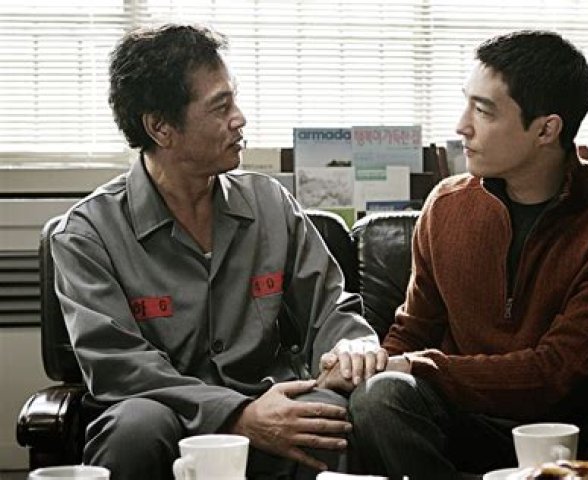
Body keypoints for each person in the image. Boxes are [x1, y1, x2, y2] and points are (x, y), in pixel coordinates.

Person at [346, 30, 588, 479]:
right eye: (467, 103)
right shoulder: (446, 205)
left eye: (483, 111)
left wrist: (418, 366)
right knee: (380, 397)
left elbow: (558, 371)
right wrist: (370, 365)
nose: (462, 126)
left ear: (546, 129)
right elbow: (413, 331)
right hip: (470, 424)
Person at [51, 24, 385, 480]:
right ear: (160, 127)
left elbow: (329, 308)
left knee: (324, 417)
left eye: (235, 100)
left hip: (271, 399)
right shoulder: (87, 234)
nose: (240, 119)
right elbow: (119, 367)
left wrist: (351, 344)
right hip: (166, 415)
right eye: (220, 106)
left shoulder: (269, 203)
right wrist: (235, 416)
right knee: (136, 426)